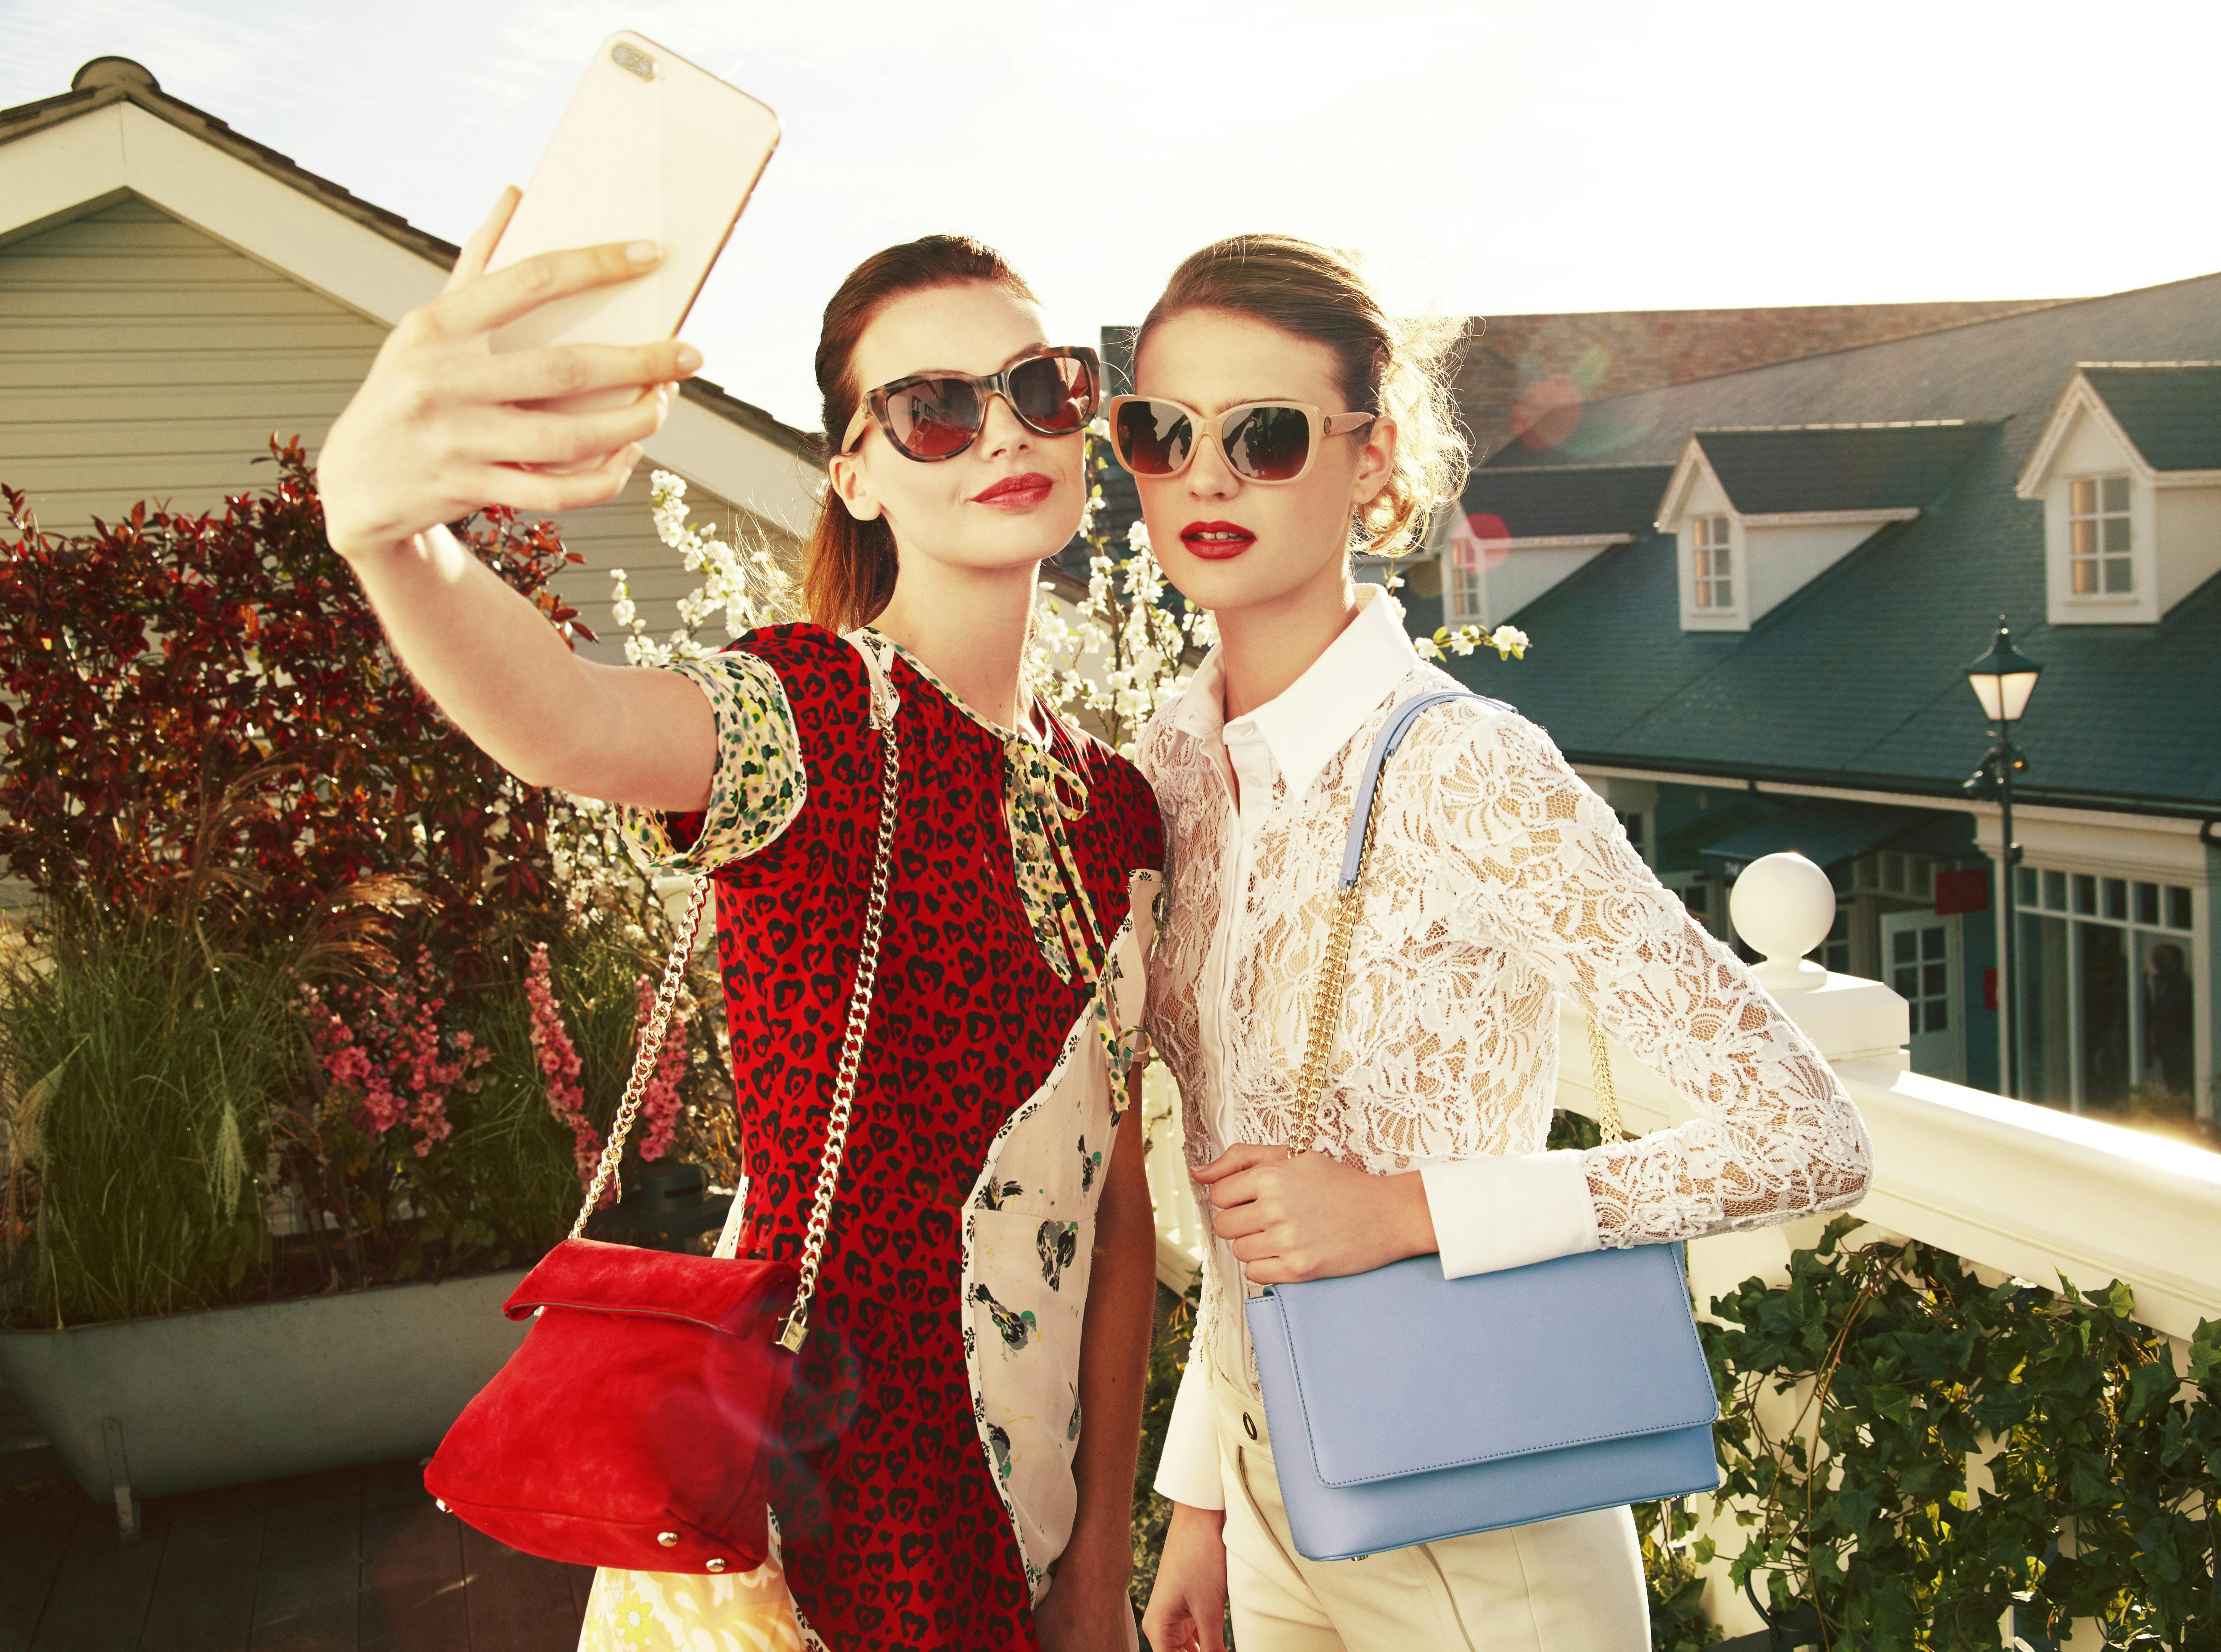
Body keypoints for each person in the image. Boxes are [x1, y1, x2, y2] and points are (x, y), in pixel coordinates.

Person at [317, 199, 1159, 1652]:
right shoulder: (812, 711)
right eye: (935, 410)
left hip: (1024, 1531)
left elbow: (1121, 1209)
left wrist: (1096, 1564)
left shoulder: (1120, 810)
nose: (1007, 432)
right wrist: (387, 532)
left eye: (1040, 386)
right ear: (856, 474)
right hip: (802, 1530)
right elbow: (568, 717)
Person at [1123, 235, 1875, 1652]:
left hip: (1484, 1529)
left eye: (1265, 434)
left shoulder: (1470, 768)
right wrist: (1202, 1501)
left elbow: (1808, 1134)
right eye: (1163, 433)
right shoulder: (1171, 756)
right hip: (1279, 1498)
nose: (1206, 477)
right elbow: (1245, 1192)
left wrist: (1408, 1213)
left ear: (1372, 457)